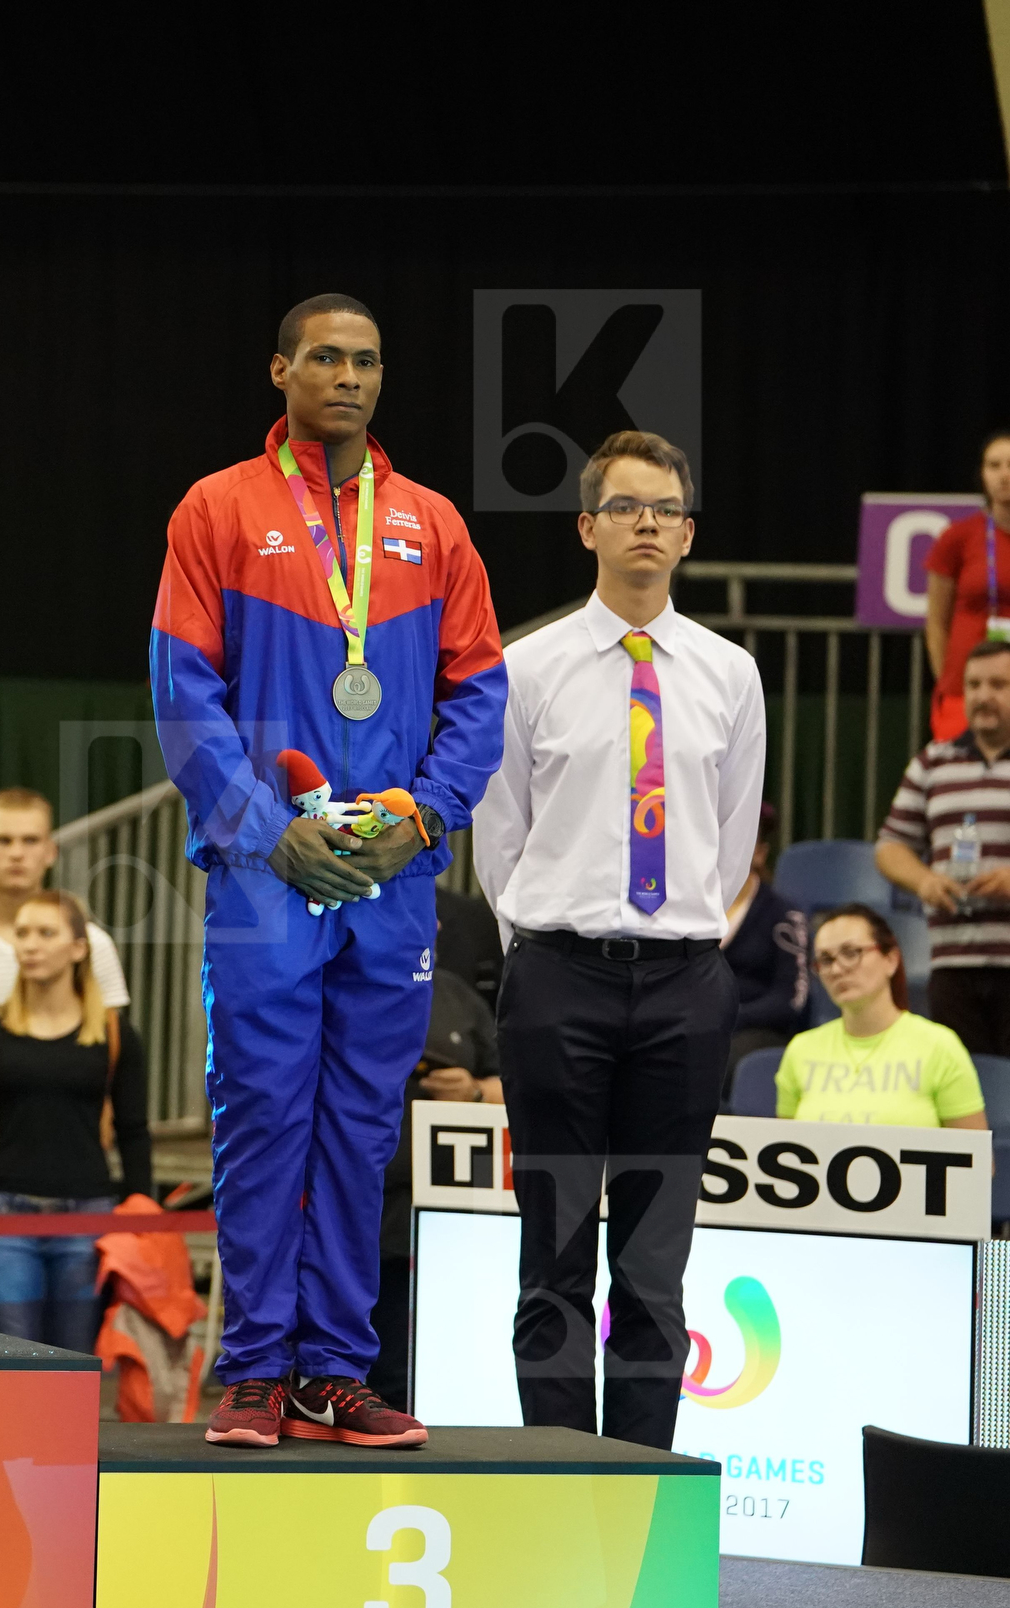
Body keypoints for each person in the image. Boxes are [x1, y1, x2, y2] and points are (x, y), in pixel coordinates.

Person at [152, 293, 502, 1449]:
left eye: (366, 360)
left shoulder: (434, 526)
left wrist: (425, 814)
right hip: (268, 869)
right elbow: (181, 686)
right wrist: (260, 824)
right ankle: (254, 1367)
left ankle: (334, 1371)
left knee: (359, 1125)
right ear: (280, 371)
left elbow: (478, 692)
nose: (347, 376)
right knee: (262, 1116)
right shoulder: (217, 509)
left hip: (391, 869)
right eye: (325, 358)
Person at [476, 429, 765, 1452]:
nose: (646, 522)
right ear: (586, 526)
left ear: (686, 535)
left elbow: (731, 845)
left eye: (664, 509)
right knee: (551, 1252)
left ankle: (639, 1490)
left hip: (685, 988)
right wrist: (546, 945)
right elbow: (497, 836)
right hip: (557, 980)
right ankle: (561, 1479)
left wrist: (674, 935)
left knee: (651, 1263)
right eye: (625, 506)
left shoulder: (730, 676)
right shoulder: (526, 669)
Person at [0, 892, 150, 1351]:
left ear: (78, 948)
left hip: (87, 1216)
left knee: (74, 1365)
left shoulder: (115, 1034)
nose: (30, 945)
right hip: (3, 1218)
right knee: (12, 1362)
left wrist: (142, 1226)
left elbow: (135, 1135)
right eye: (23, 933)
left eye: (46, 933)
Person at [374, 973, 505, 1411]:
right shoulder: (334, 981)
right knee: (375, 1367)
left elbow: (520, 1084)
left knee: (447, 1359)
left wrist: (474, 1092)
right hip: (364, 1207)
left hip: (456, 1212)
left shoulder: (459, 997)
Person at [875, 639, 1010, 1059]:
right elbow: (890, 847)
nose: (983, 695)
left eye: (998, 684)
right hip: (952, 964)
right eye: (973, 685)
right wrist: (925, 880)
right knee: (963, 1093)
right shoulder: (932, 763)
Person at [777, 906, 988, 1128]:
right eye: (826, 960)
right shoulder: (800, 1050)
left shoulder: (940, 1046)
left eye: (851, 953)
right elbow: (784, 1151)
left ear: (891, 960)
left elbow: (976, 1160)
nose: (837, 970)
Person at [0, 790, 130, 1011]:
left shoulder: (91, 944)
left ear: (50, 851)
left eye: (30, 840)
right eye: (3, 840)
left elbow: (109, 1037)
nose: (17, 853)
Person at [917, 430, 1010, 742]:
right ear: (982, 475)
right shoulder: (957, 537)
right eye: (994, 466)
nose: (1004, 475)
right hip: (965, 689)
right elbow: (936, 621)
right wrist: (947, 679)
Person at [724, 802, 809, 1077]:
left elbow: (789, 999)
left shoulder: (785, 916)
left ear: (760, 853)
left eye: (740, 839)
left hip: (755, 1032)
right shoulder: (685, 911)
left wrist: (727, 1019)